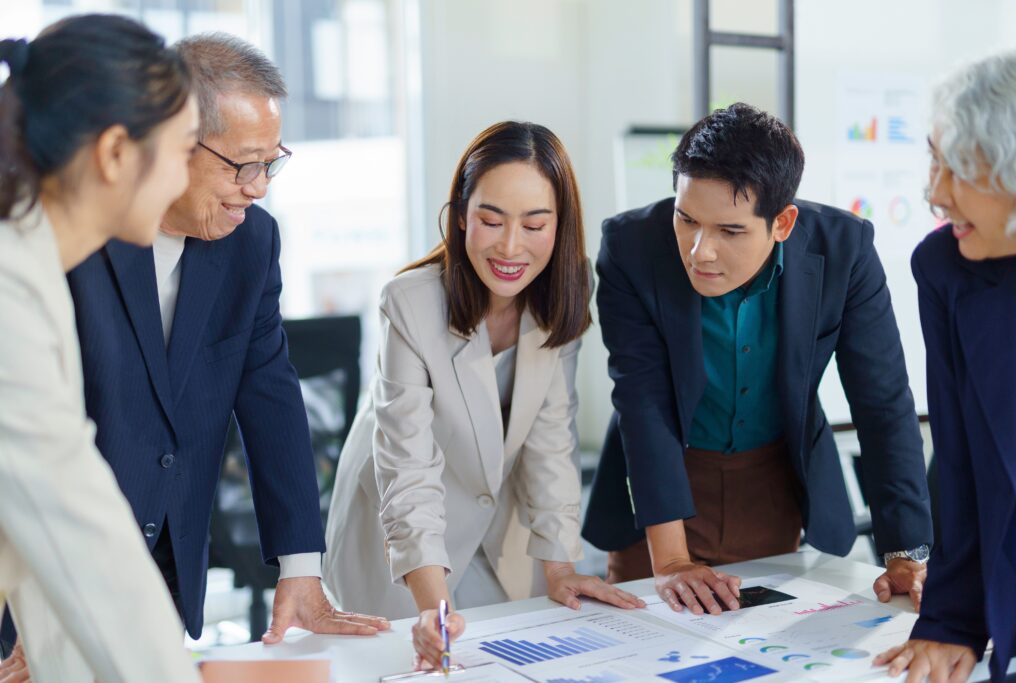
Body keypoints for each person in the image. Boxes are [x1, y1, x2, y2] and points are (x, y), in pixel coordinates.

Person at [57, 32, 388, 645]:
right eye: (243, 164)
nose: (259, 187)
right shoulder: (71, 237)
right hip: (48, 567)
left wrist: (301, 568)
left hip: (164, 564)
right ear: (174, 142)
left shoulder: (251, 242)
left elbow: (272, 395)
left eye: (271, 162)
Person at [582, 103, 934, 615]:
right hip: (658, 493)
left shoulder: (845, 250)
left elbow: (882, 402)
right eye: (687, 219)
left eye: (730, 231)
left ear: (782, 223)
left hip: (773, 486)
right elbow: (643, 402)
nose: (700, 251)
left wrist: (906, 553)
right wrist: (673, 560)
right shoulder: (630, 246)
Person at [324, 121, 644, 668]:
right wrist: (433, 606)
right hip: (400, 535)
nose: (511, 246)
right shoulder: (410, 303)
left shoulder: (565, 288)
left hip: (493, 527)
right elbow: (407, 470)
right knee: (405, 664)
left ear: (561, 225)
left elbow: (551, 439)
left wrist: (560, 567)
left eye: (534, 224)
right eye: (491, 221)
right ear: (460, 216)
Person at [0, 14, 202, 682]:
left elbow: (42, 532)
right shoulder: (9, 288)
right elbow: (77, 527)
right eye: (183, 151)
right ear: (115, 152)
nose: (184, 179)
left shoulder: (33, 267)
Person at [876, 46, 1016, 683]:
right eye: (934, 160)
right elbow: (961, 465)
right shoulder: (947, 270)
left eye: (957, 167)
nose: (934, 193)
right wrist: (951, 621)